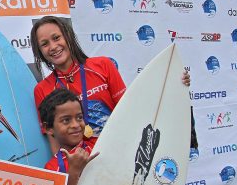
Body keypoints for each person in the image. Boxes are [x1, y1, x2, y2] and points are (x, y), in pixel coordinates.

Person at [30, 15, 190, 151]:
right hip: (81, 166)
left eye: (56, 38)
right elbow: (55, 144)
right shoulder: (42, 90)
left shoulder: (102, 66)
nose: (53, 46)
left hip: (118, 153)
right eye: (44, 44)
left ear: (68, 37)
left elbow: (129, 110)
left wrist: (175, 84)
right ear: (40, 51)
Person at [38, 88, 98, 185]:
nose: (76, 124)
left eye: (79, 117)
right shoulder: (52, 168)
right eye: (66, 120)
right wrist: (74, 171)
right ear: (48, 128)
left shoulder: (98, 147)